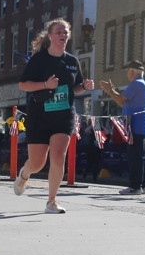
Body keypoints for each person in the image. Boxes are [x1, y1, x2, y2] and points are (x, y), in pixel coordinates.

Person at [14, 19, 94, 213]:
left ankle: (51, 202)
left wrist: (84, 87)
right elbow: (23, 84)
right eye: (58, 32)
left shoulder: (72, 61)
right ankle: (24, 174)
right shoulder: (39, 59)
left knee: (58, 157)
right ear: (50, 36)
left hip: (63, 116)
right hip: (39, 116)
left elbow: (74, 88)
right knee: (37, 164)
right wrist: (45, 85)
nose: (63, 35)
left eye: (65, 32)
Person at [100, 60, 145, 195]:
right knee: (139, 156)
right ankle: (142, 184)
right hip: (139, 125)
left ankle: (135, 186)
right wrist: (112, 91)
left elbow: (121, 100)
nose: (127, 74)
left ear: (132, 72)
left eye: (128, 71)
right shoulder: (140, 84)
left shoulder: (136, 83)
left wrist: (109, 90)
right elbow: (122, 102)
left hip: (135, 125)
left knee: (135, 157)